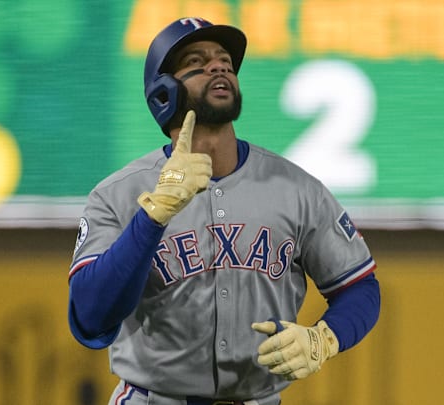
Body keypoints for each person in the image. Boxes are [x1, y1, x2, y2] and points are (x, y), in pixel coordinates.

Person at [67, 17, 381, 405]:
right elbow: (90, 318)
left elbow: (360, 286)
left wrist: (325, 338)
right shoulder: (118, 193)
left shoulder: (296, 189)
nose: (218, 66)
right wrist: (152, 219)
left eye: (226, 62)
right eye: (196, 61)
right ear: (162, 93)